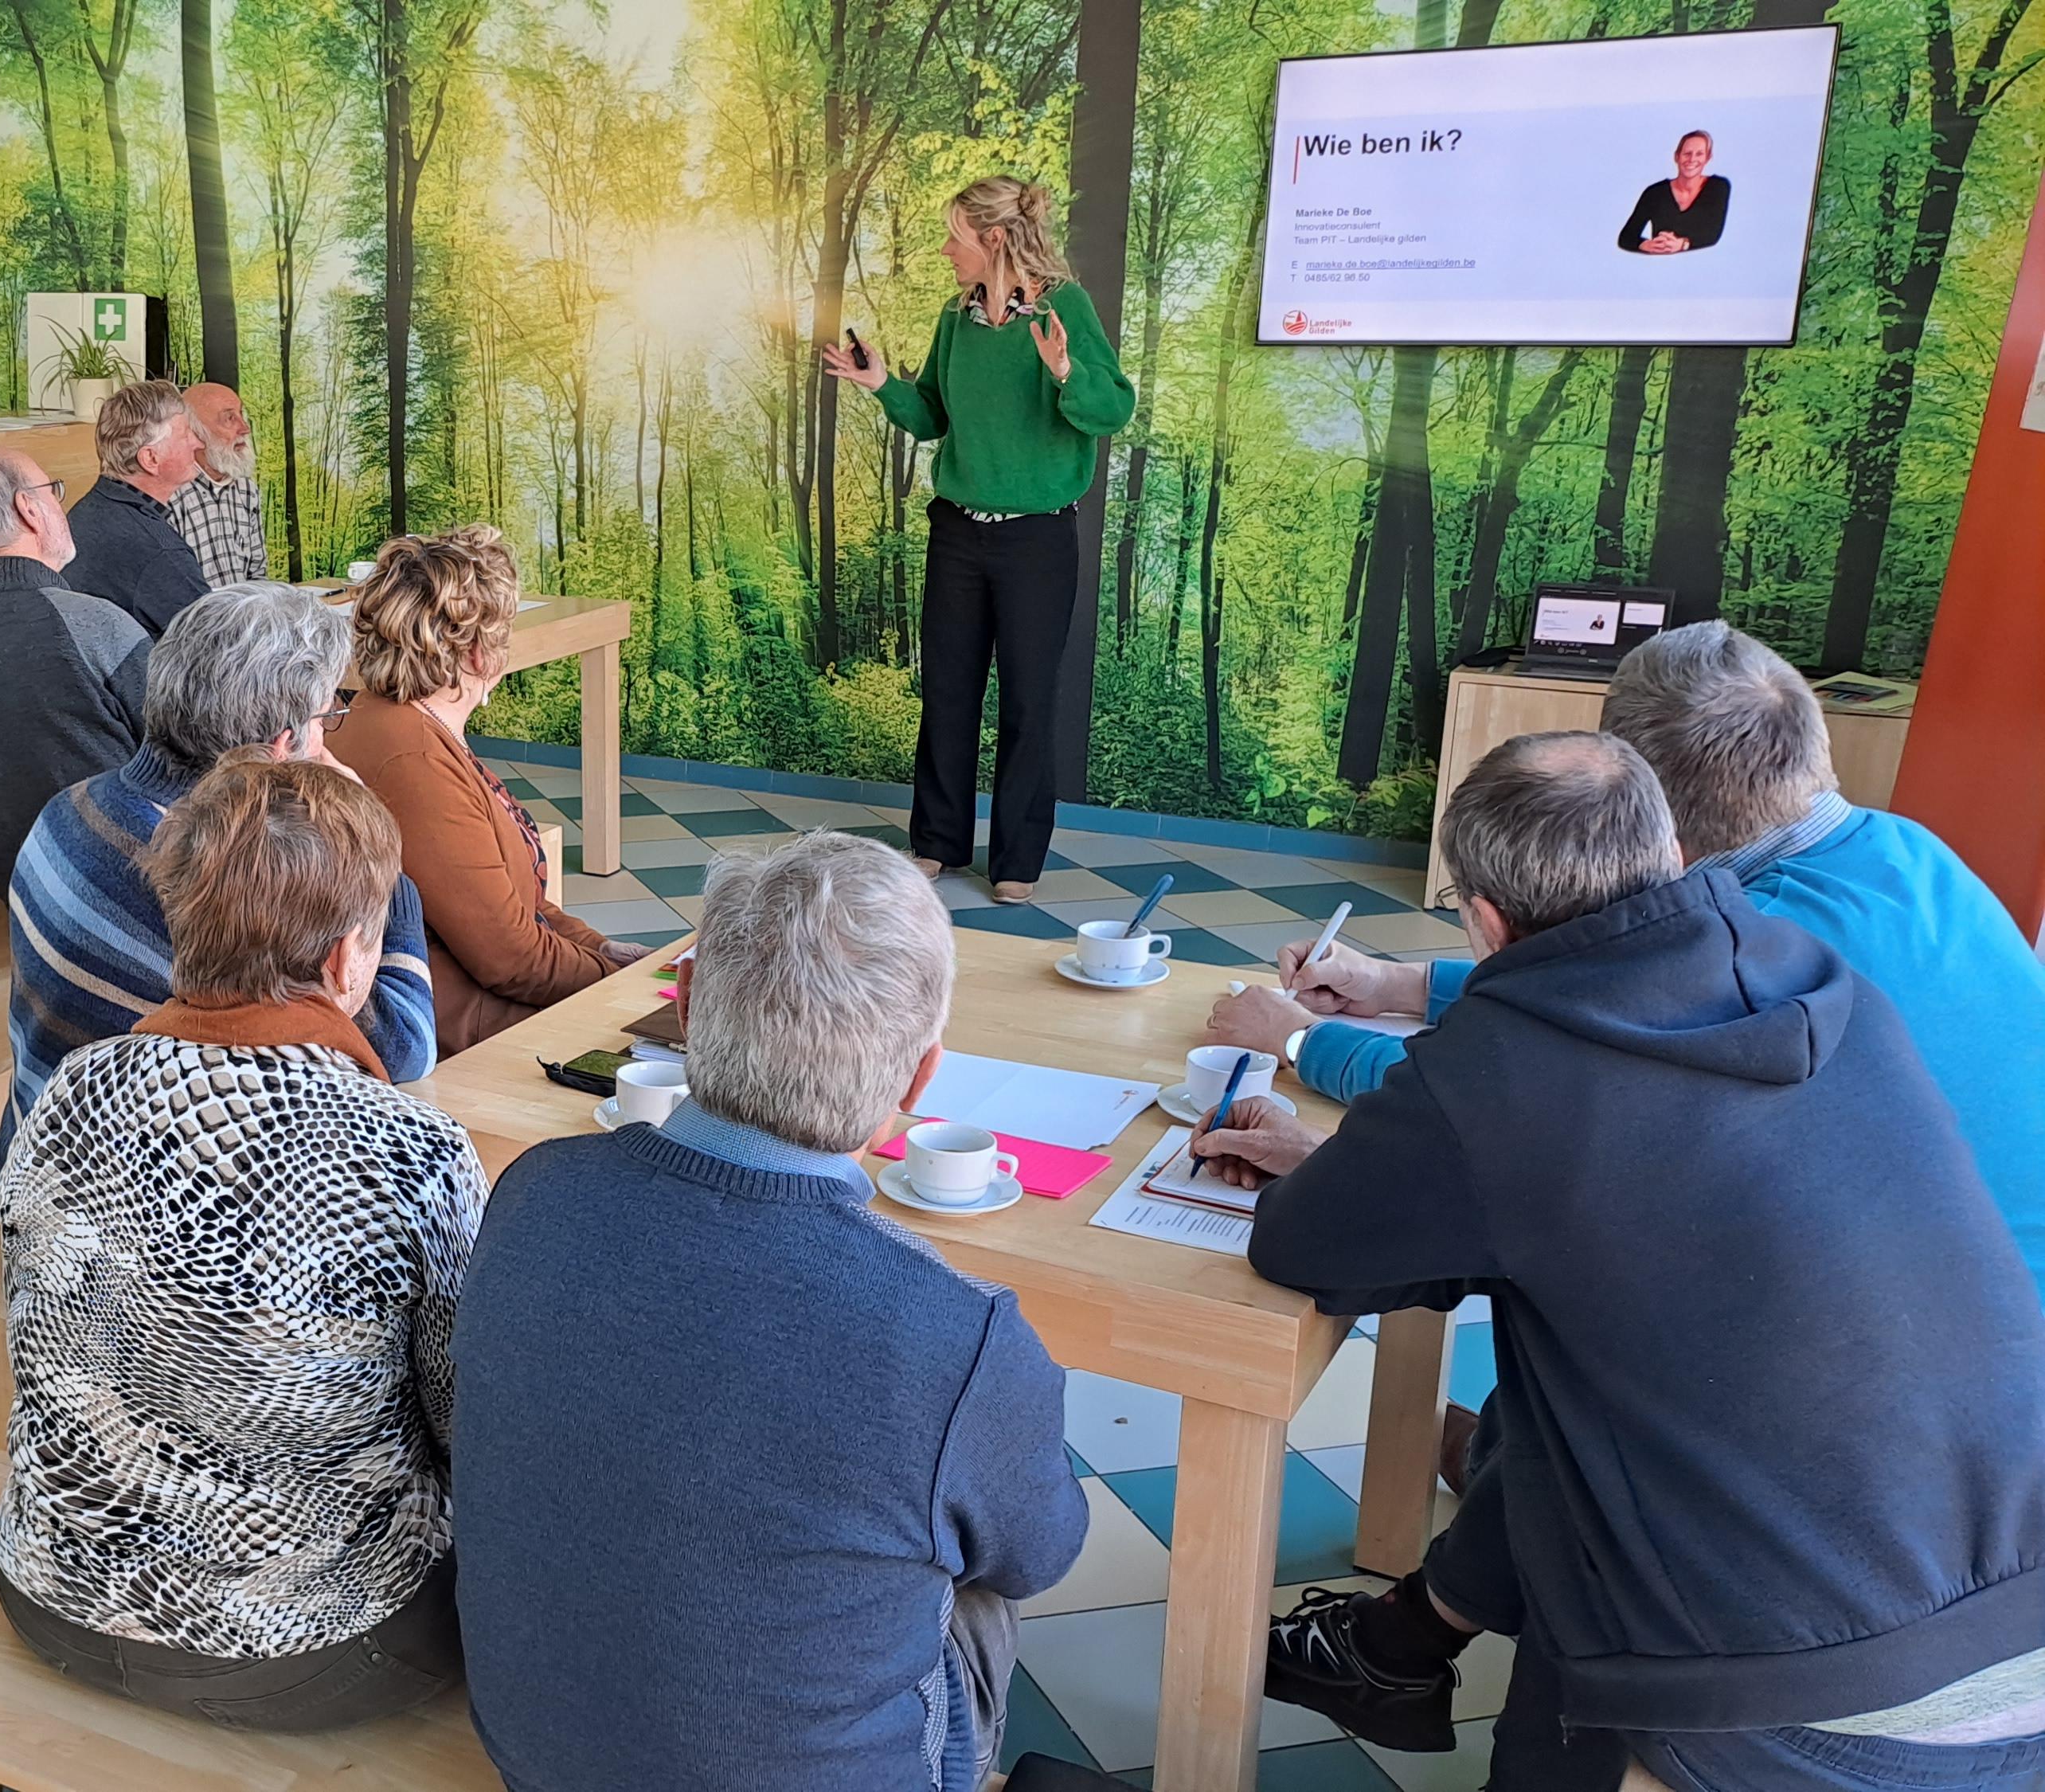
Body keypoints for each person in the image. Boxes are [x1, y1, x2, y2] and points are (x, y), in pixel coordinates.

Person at [1220, 733, 2045, 1791]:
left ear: (1484, 917)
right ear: (1676, 852)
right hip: (2019, 1594)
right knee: (1611, 1370)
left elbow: (1306, 1244)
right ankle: (1402, 1645)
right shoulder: (1808, 970)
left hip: (1804, 1707)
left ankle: (1413, 1657)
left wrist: (1332, 1160)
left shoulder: (1501, 1076)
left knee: (1586, 1482)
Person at [454, 831, 1086, 1790]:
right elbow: (1038, 1557)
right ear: (921, 1078)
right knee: (971, 1573)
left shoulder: (534, 1188)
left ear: (689, 1006)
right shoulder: (959, 1335)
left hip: (531, 1756)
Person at [1206, 621, 2045, 1293]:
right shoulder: (1904, 850)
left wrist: (1300, 1040)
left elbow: (1519, 1094)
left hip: (1924, 1332)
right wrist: (1399, 983)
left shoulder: (1752, 946)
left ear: (1648, 811)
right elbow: (1596, 1005)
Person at [0, 753, 483, 1731]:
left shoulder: (69, 1094)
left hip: (50, 1596)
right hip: (314, 1650)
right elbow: (466, 1424)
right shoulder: (408, 1148)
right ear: (348, 960)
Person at [6, 582, 434, 1120]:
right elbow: (404, 1049)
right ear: (280, 748)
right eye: (324, 720)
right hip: (150, 1181)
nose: (327, 743)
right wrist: (368, 848)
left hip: (48, 1140)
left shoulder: (68, 806)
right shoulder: (213, 875)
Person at [822, 175, 1132, 904]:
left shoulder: (1065, 311)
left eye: (954, 238)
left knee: (1028, 701)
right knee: (949, 693)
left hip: (1037, 542)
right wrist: (879, 384)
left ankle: (1017, 859)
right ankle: (936, 842)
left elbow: (1110, 407)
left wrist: (1065, 370)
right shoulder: (954, 319)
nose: (945, 251)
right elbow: (930, 414)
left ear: (994, 239)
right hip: (959, 534)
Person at [330, 528, 635, 1056]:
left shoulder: (404, 721)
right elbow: (511, 960)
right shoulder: (413, 756)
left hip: (480, 1006)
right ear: (477, 655)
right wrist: (622, 984)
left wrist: (602, 947)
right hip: (466, 1038)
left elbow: (518, 908)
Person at [0, 448, 152, 898]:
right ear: (28, 509)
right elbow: (190, 752)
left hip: (27, 900)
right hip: (148, 895)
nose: (61, 507)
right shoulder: (94, 624)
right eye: (53, 492)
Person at [62, 379, 212, 636]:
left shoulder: (86, 511)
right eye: (186, 434)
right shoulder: (159, 552)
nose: (198, 444)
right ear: (150, 459)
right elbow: (220, 647)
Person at [167, 382, 268, 587]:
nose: (245, 428)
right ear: (195, 433)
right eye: (230, 418)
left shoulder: (246, 490)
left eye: (242, 415)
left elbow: (258, 576)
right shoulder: (170, 496)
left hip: (243, 614)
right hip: (195, 617)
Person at [1617, 130, 1730, 254]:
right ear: (1677, 157)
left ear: (1708, 158)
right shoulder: (1655, 193)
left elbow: (1713, 234)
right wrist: (1644, 244)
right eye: (1687, 153)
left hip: (1704, 266)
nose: (1692, 159)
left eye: (1699, 154)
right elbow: (1626, 237)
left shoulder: (1718, 187)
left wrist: (1682, 244)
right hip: (1661, 266)